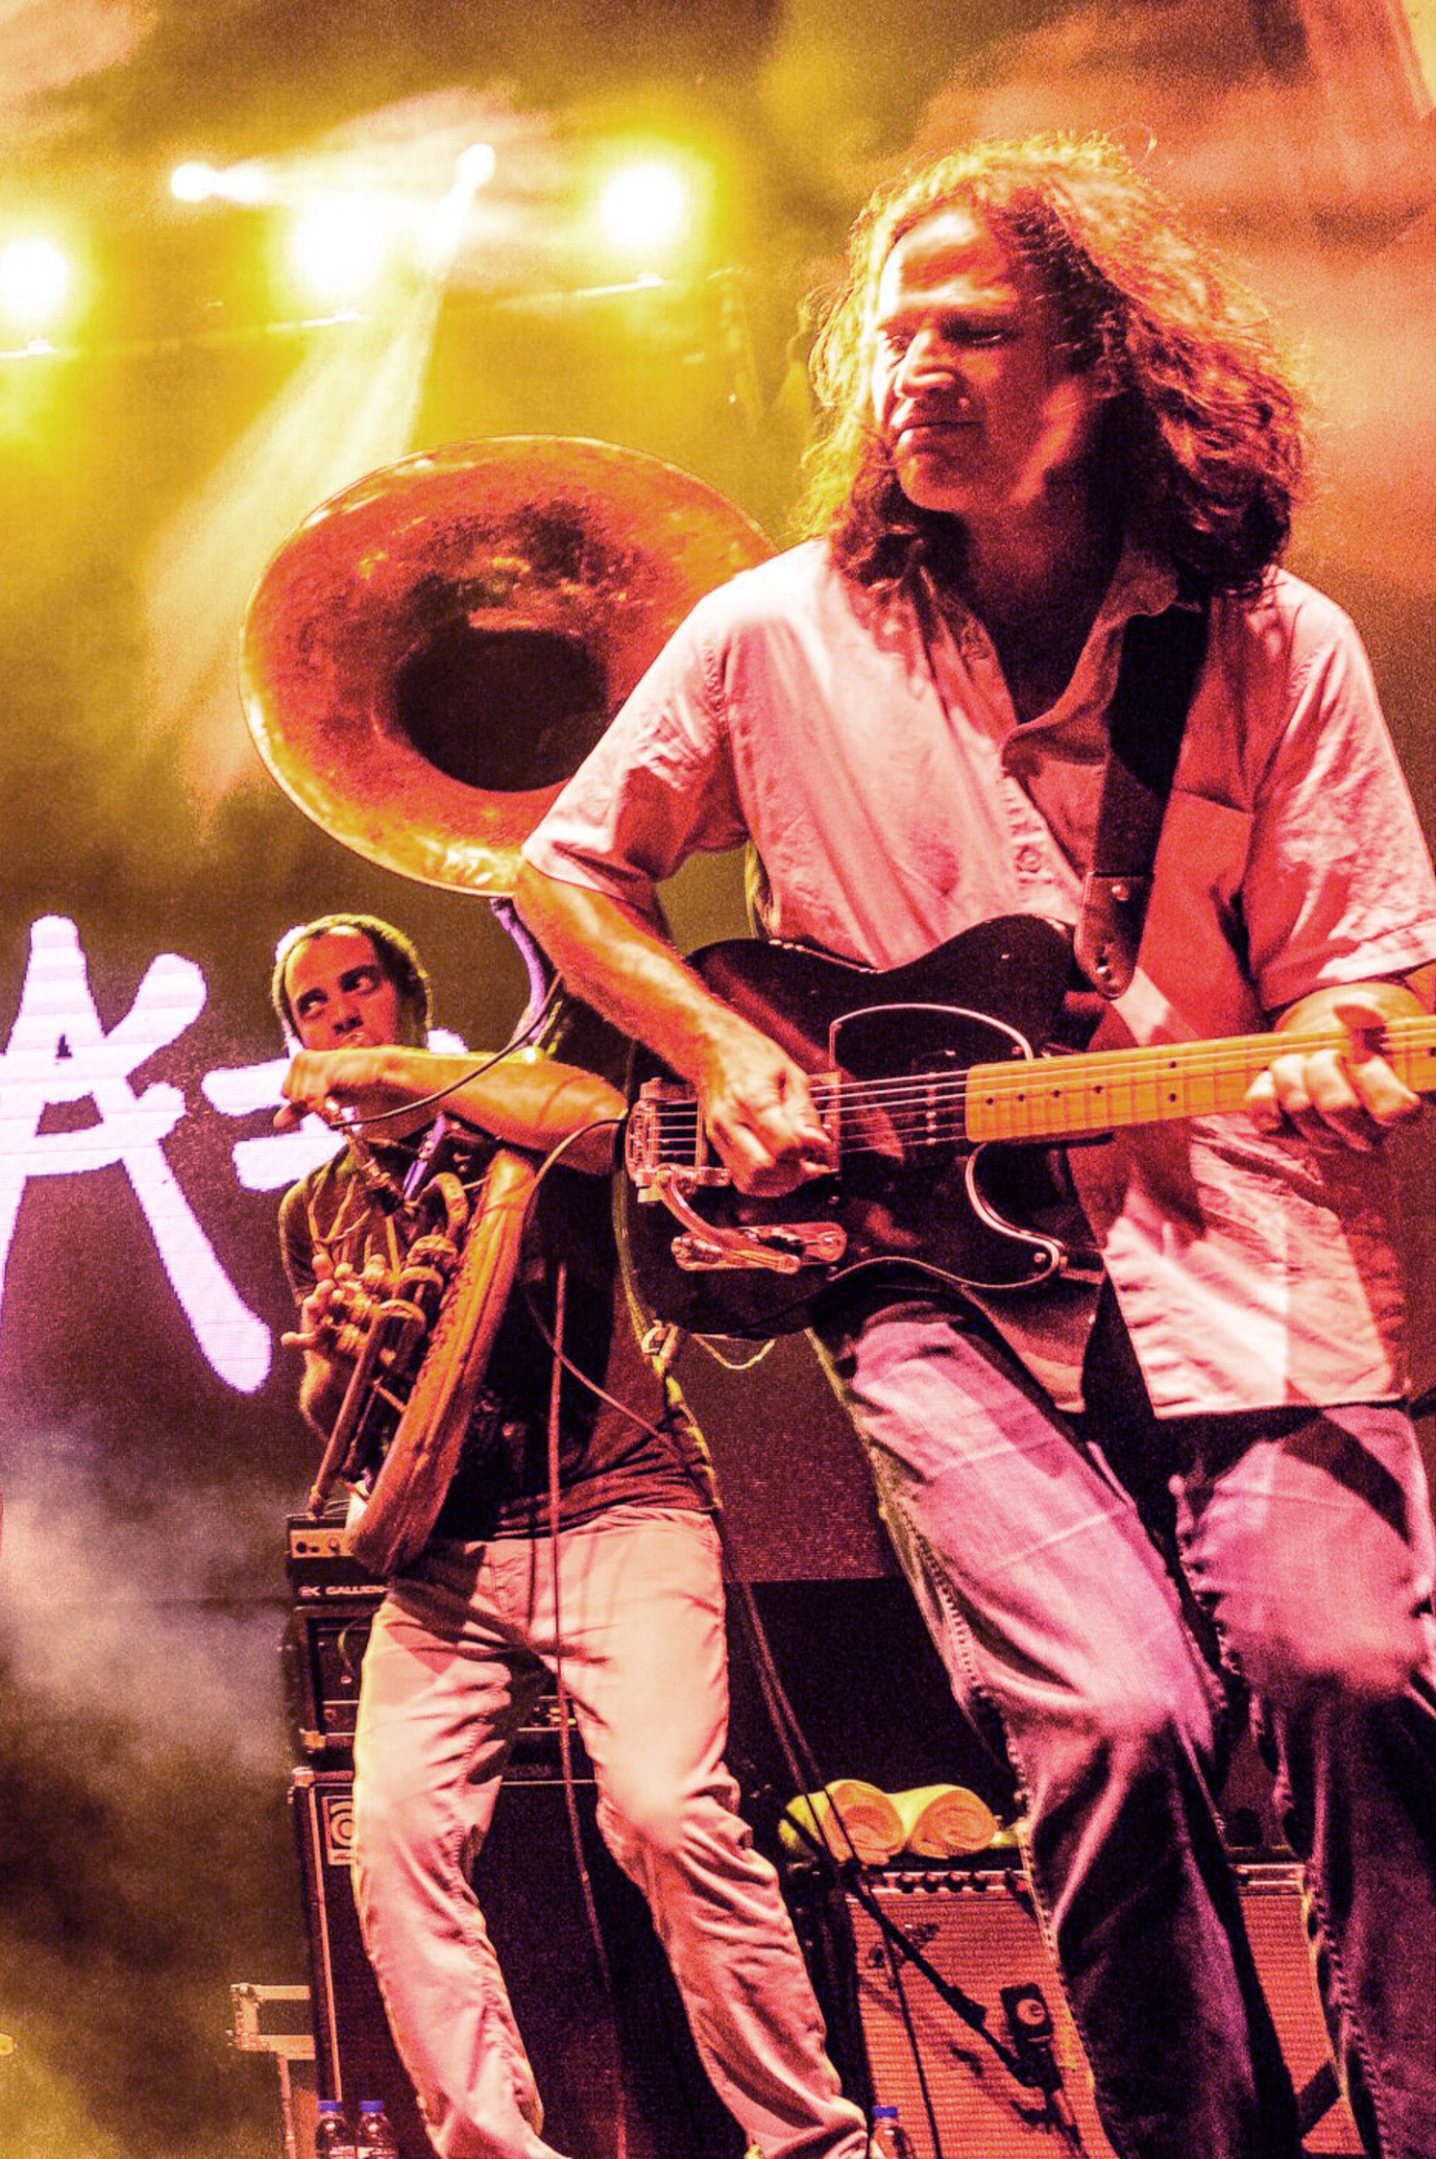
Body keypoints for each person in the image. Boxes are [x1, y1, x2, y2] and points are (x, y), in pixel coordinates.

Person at [514, 134, 1436, 2158]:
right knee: (1107, 1726)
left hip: (1247, 1247)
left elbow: (1367, 980)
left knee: (1353, 1661)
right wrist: (714, 1050)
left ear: (1102, 371)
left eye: (978, 331)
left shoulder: (1272, 646)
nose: (916, 368)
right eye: (899, 331)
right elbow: (568, 875)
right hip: (935, 1293)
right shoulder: (772, 633)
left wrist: (1344, 1053)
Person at [271, 914, 868, 2159]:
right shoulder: (315, 1207)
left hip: (622, 1507)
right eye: (312, 1004)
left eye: (358, 985)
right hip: (444, 1557)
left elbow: (602, 1120)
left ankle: (817, 2142)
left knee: (665, 1811)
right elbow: (343, 1419)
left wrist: (402, 1078)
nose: (337, 1015)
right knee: (389, 1838)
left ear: (408, 1000)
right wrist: (339, 1359)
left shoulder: (512, 1109)